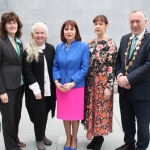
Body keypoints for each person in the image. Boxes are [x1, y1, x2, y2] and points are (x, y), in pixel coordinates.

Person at [82, 15, 117, 150]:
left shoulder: (110, 44)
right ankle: (95, 136)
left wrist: (109, 86)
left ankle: (100, 137)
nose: (97, 26)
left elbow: (111, 66)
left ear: (106, 26)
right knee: (92, 109)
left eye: (101, 24)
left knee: (101, 110)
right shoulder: (91, 43)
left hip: (102, 82)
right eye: (95, 24)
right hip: (90, 81)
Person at [116, 10, 150, 150]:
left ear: (145, 22)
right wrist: (119, 77)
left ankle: (141, 147)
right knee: (127, 120)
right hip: (125, 91)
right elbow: (118, 61)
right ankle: (129, 143)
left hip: (142, 92)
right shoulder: (125, 38)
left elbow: (148, 65)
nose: (134, 25)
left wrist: (128, 79)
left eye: (138, 21)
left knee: (142, 124)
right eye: (132, 22)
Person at [53, 20, 89, 150]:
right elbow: (55, 65)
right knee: (65, 114)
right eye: (66, 29)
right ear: (63, 32)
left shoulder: (83, 47)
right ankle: (68, 137)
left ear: (76, 31)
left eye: (71, 29)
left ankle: (74, 138)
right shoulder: (59, 47)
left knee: (74, 115)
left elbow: (84, 68)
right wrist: (57, 81)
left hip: (76, 86)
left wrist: (72, 83)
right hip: (61, 87)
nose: (69, 31)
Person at [22, 23, 56, 150]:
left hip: (49, 90)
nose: (40, 35)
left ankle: (42, 135)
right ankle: (39, 139)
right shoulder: (28, 51)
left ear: (46, 35)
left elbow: (55, 67)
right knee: (38, 115)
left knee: (45, 112)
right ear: (33, 35)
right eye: (37, 33)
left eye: (42, 33)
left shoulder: (50, 49)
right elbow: (27, 72)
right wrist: (36, 89)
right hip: (36, 91)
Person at [0, 12, 26, 150]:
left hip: (19, 85)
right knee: (8, 119)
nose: (12, 25)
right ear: (4, 26)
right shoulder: (1, 42)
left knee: (16, 116)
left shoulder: (18, 41)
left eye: (14, 22)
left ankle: (15, 139)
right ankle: (10, 146)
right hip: (7, 88)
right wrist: (1, 91)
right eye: (9, 23)